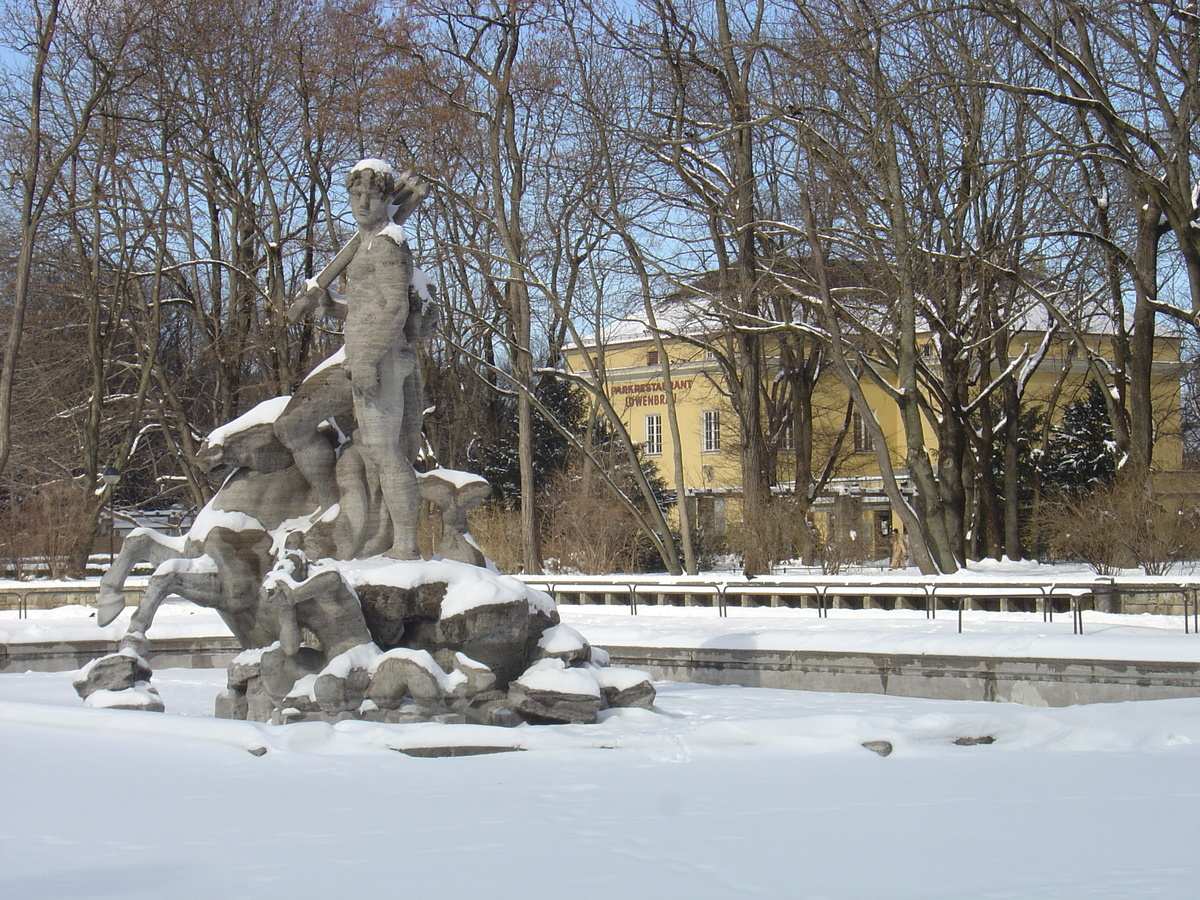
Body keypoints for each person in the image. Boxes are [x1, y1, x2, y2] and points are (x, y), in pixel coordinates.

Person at [274, 159, 422, 559]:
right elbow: (365, 310)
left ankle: (406, 546)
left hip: (382, 358)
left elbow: (394, 310)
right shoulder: (366, 245)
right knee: (376, 452)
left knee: (384, 451)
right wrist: (330, 306)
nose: (361, 203)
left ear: (385, 199)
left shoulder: (389, 246)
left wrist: (368, 361)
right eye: (355, 196)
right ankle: (370, 529)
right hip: (360, 353)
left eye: (370, 196)